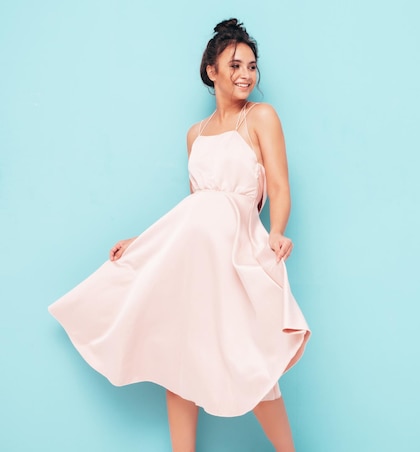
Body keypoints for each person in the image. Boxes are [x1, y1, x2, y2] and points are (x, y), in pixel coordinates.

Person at [48, 18, 310, 452]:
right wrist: (145, 243)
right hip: (194, 260)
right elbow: (195, 209)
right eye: (235, 65)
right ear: (211, 70)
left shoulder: (261, 117)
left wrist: (278, 230)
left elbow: (279, 187)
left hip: (237, 255)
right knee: (180, 357)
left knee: (252, 362)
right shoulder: (196, 135)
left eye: (252, 66)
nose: (246, 74)